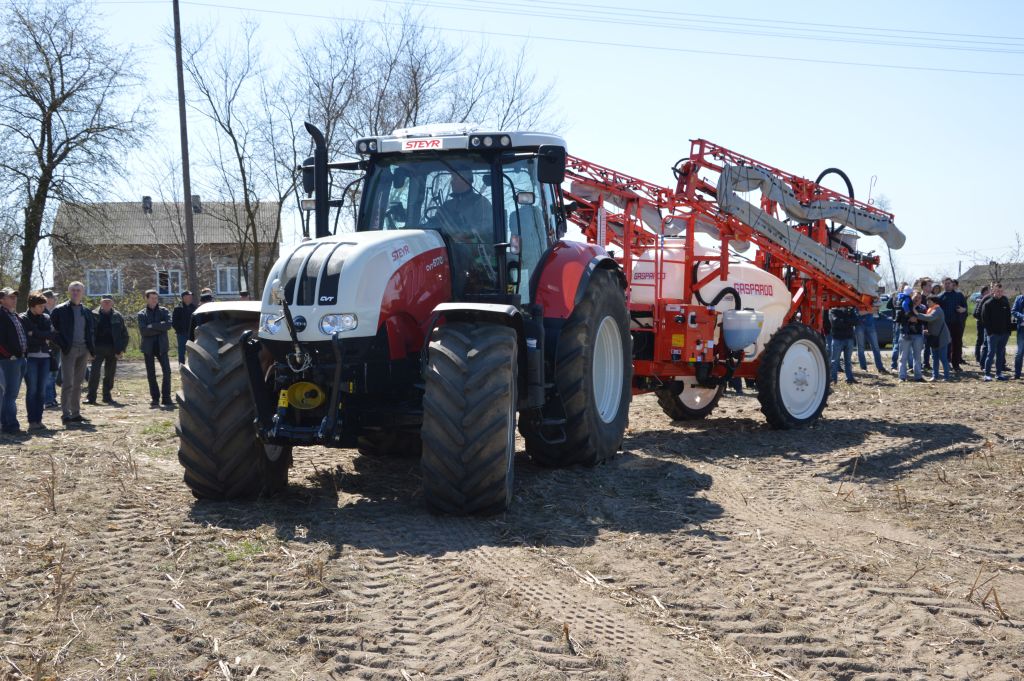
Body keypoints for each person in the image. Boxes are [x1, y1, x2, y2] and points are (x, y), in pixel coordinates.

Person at [51, 281, 95, 425]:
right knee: (67, 382)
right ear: (69, 292)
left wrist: (91, 350)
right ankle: (66, 414)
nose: (76, 292)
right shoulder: (60, 309)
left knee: (78, 383)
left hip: (83, 350)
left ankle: (76, 413)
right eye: (73, 290)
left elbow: (90, 332)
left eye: (78, 290)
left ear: (82, 292)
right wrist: (63, 345)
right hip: (68, 350)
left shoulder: (87, 311)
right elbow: (52, 330)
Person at [20, 291, 56, 430]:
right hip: (31, 358)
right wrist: (42, 336)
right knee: (32, 390)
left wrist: (35, 333)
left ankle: (39, 420)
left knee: (41, 390)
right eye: (40, 306)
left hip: (45, 358)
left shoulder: (46, 317)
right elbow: (27, 339)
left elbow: (52, 335)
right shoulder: (23, 318)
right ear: (32, 306)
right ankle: (31, 421)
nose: (43, 308)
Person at [87, 295, 129, 404]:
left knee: (110, 374)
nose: (106, 303)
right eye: (104, 301)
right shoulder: (93, 314)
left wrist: (121, 349)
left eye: (108, 302)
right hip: (97, 349)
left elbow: (124, 334)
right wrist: (88, 350)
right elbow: (87, 333)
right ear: (100, 302)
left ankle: (107, 396)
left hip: (113, 349)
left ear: (112, 303)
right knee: (94, 373)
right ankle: (91, 397)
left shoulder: (117, 316)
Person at [138, 289, 174, 407]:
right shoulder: (142, 314)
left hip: (162, 346)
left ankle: (166, 397)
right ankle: (155, 398)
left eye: (156, 298)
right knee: (151, 374)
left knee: (167, 372)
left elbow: (168, 325)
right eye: (152, 298)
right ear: (147, 299)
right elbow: (144, 331)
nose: (154, 300)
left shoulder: (164, 311)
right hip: (148, 347)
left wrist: (152, 326)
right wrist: (159, 327)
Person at [0, 287, 28, 434]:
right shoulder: (1, 315)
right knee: (9, 394)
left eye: (15, 297)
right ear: (1, 300)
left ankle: (7, 423)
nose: (14, 299)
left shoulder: (14, 315)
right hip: (9, 360)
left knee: (12, 394)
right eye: (10, 297)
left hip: (20, 358)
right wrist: (8, 355)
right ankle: (10, 425)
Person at [980, 282, 1011, 381]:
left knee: (1000, 354)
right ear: (993, 290)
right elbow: (985, 319)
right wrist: (990, 332)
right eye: (997, 291)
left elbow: (1008, 318)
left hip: (1004, 334)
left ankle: (999, 374)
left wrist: (1008, 331)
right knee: (991, 353)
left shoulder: (1005, 302)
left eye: (1001, 291)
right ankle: (987, 374)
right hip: (993, 334)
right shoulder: (988, 303)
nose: (999, 293)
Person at [917, 295, 952, 381]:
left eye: (929, 301)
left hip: (942, 338)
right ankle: (935, 376)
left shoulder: (937, 310)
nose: (927, 303)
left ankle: (947, 377)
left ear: (934, 302)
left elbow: (930, 318)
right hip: (934, 338)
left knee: (943, 358)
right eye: (927, 301)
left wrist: (917, 314)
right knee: (935, 358)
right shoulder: (931, 309)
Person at [938, 277, 968, 373]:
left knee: (957, 344)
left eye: (949, 283)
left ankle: (956, 365)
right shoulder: (940, 297)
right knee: (946, 344)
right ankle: (946, 364)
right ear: (943, 285)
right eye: (945, 283)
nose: (947, 285)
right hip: (945, 324)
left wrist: (963, 310)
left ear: (952, 284)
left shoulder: (959, 295)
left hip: (957, 323)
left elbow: (965, 308)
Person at [898, 290, 926, 382]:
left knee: (917, 357)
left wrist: (914, 317)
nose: (917, 299)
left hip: (917, 335)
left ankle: (918, 376)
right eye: (915, 297)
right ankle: (902, 376)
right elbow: (899, 319)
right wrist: (909, 317)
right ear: (911, 297)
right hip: (905, 334)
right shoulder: (904, 305)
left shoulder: (922, 308)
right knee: (903, 357)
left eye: (919, 298)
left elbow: (923, 320)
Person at [854, 299, 887, 373]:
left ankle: (880, 367)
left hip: (870, 325)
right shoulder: (856, 298)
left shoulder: (870, 297)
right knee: (861, 347)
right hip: (859, 325)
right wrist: (870, 310)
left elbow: (878, 305)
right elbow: (859, 313)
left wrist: (870, 309)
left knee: (875, 347)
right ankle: (863, 368)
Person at [828, 306, 858, 384]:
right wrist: (848, 321)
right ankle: (833, 379)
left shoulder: (850, 309)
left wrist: (843, 321)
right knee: (835, 361)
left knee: (848, 360)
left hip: (848, 338)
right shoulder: (833, 310)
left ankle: (849, 378)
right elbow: (835, 322)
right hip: (837, 338)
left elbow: (856, 321)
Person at [43, 289, 59, 408]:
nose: (55, 299)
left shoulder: (56, 311)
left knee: (53, 373)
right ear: (48, 299)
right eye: (53, 297)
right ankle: (48, 400)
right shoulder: (41, 312)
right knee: (48, 375)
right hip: (46, 348)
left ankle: (52, 397)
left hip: (56, 347)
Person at [171, 290, 196, 365]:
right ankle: (181, 369)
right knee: (181, 352)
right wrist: (179, 330)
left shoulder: (194, 308)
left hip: (192, 334)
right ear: (184, 297)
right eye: (189, 296)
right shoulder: (178, 308)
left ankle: (192, 367)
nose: (191, 297)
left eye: (191, 296)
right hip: (181, 334)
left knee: (192, 352)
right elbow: (174, 322)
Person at [974, 285, 991, 367]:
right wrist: (983, 319)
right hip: (981, 324)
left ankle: (985, 358)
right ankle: (978, 357)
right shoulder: (979, 300)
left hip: (987, 324)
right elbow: (975, 314)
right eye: (988, 290)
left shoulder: (990, 299)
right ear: (984, 292)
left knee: (986, 342)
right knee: (980, 340)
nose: (990, 292)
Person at [1011, 290, 1024, 380]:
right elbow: (1014, 311)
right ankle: (1017, 374)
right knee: (1019, 352)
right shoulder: (1019, 298)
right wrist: (1022, 316)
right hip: (1021, 329)